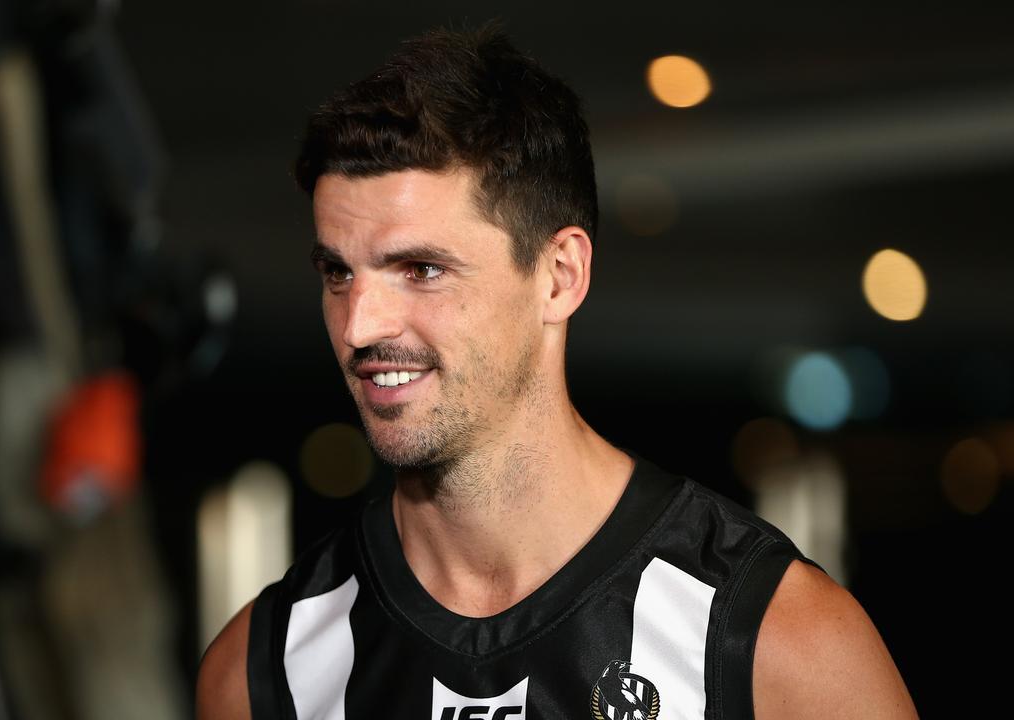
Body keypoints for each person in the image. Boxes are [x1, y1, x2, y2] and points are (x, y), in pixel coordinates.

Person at [197, 26, 916, 720]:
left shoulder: (778, 643)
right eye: (337, 273)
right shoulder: (264, 671)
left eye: (420, 270)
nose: (359, 326)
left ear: (559, 276)